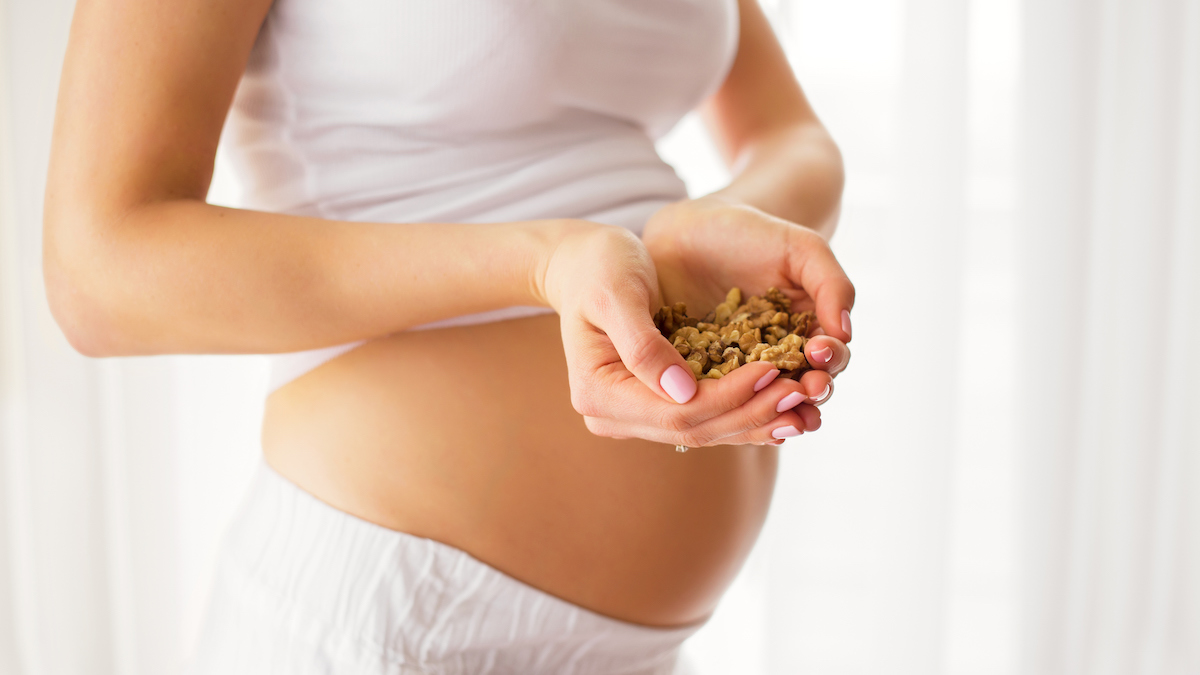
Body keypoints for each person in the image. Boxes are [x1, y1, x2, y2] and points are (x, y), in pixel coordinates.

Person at [44, 0, 854, 672]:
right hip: (391, 622)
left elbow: (793, 136)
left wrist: (718, 217)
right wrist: (542, 260)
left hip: (639, 649)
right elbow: (99, 270)